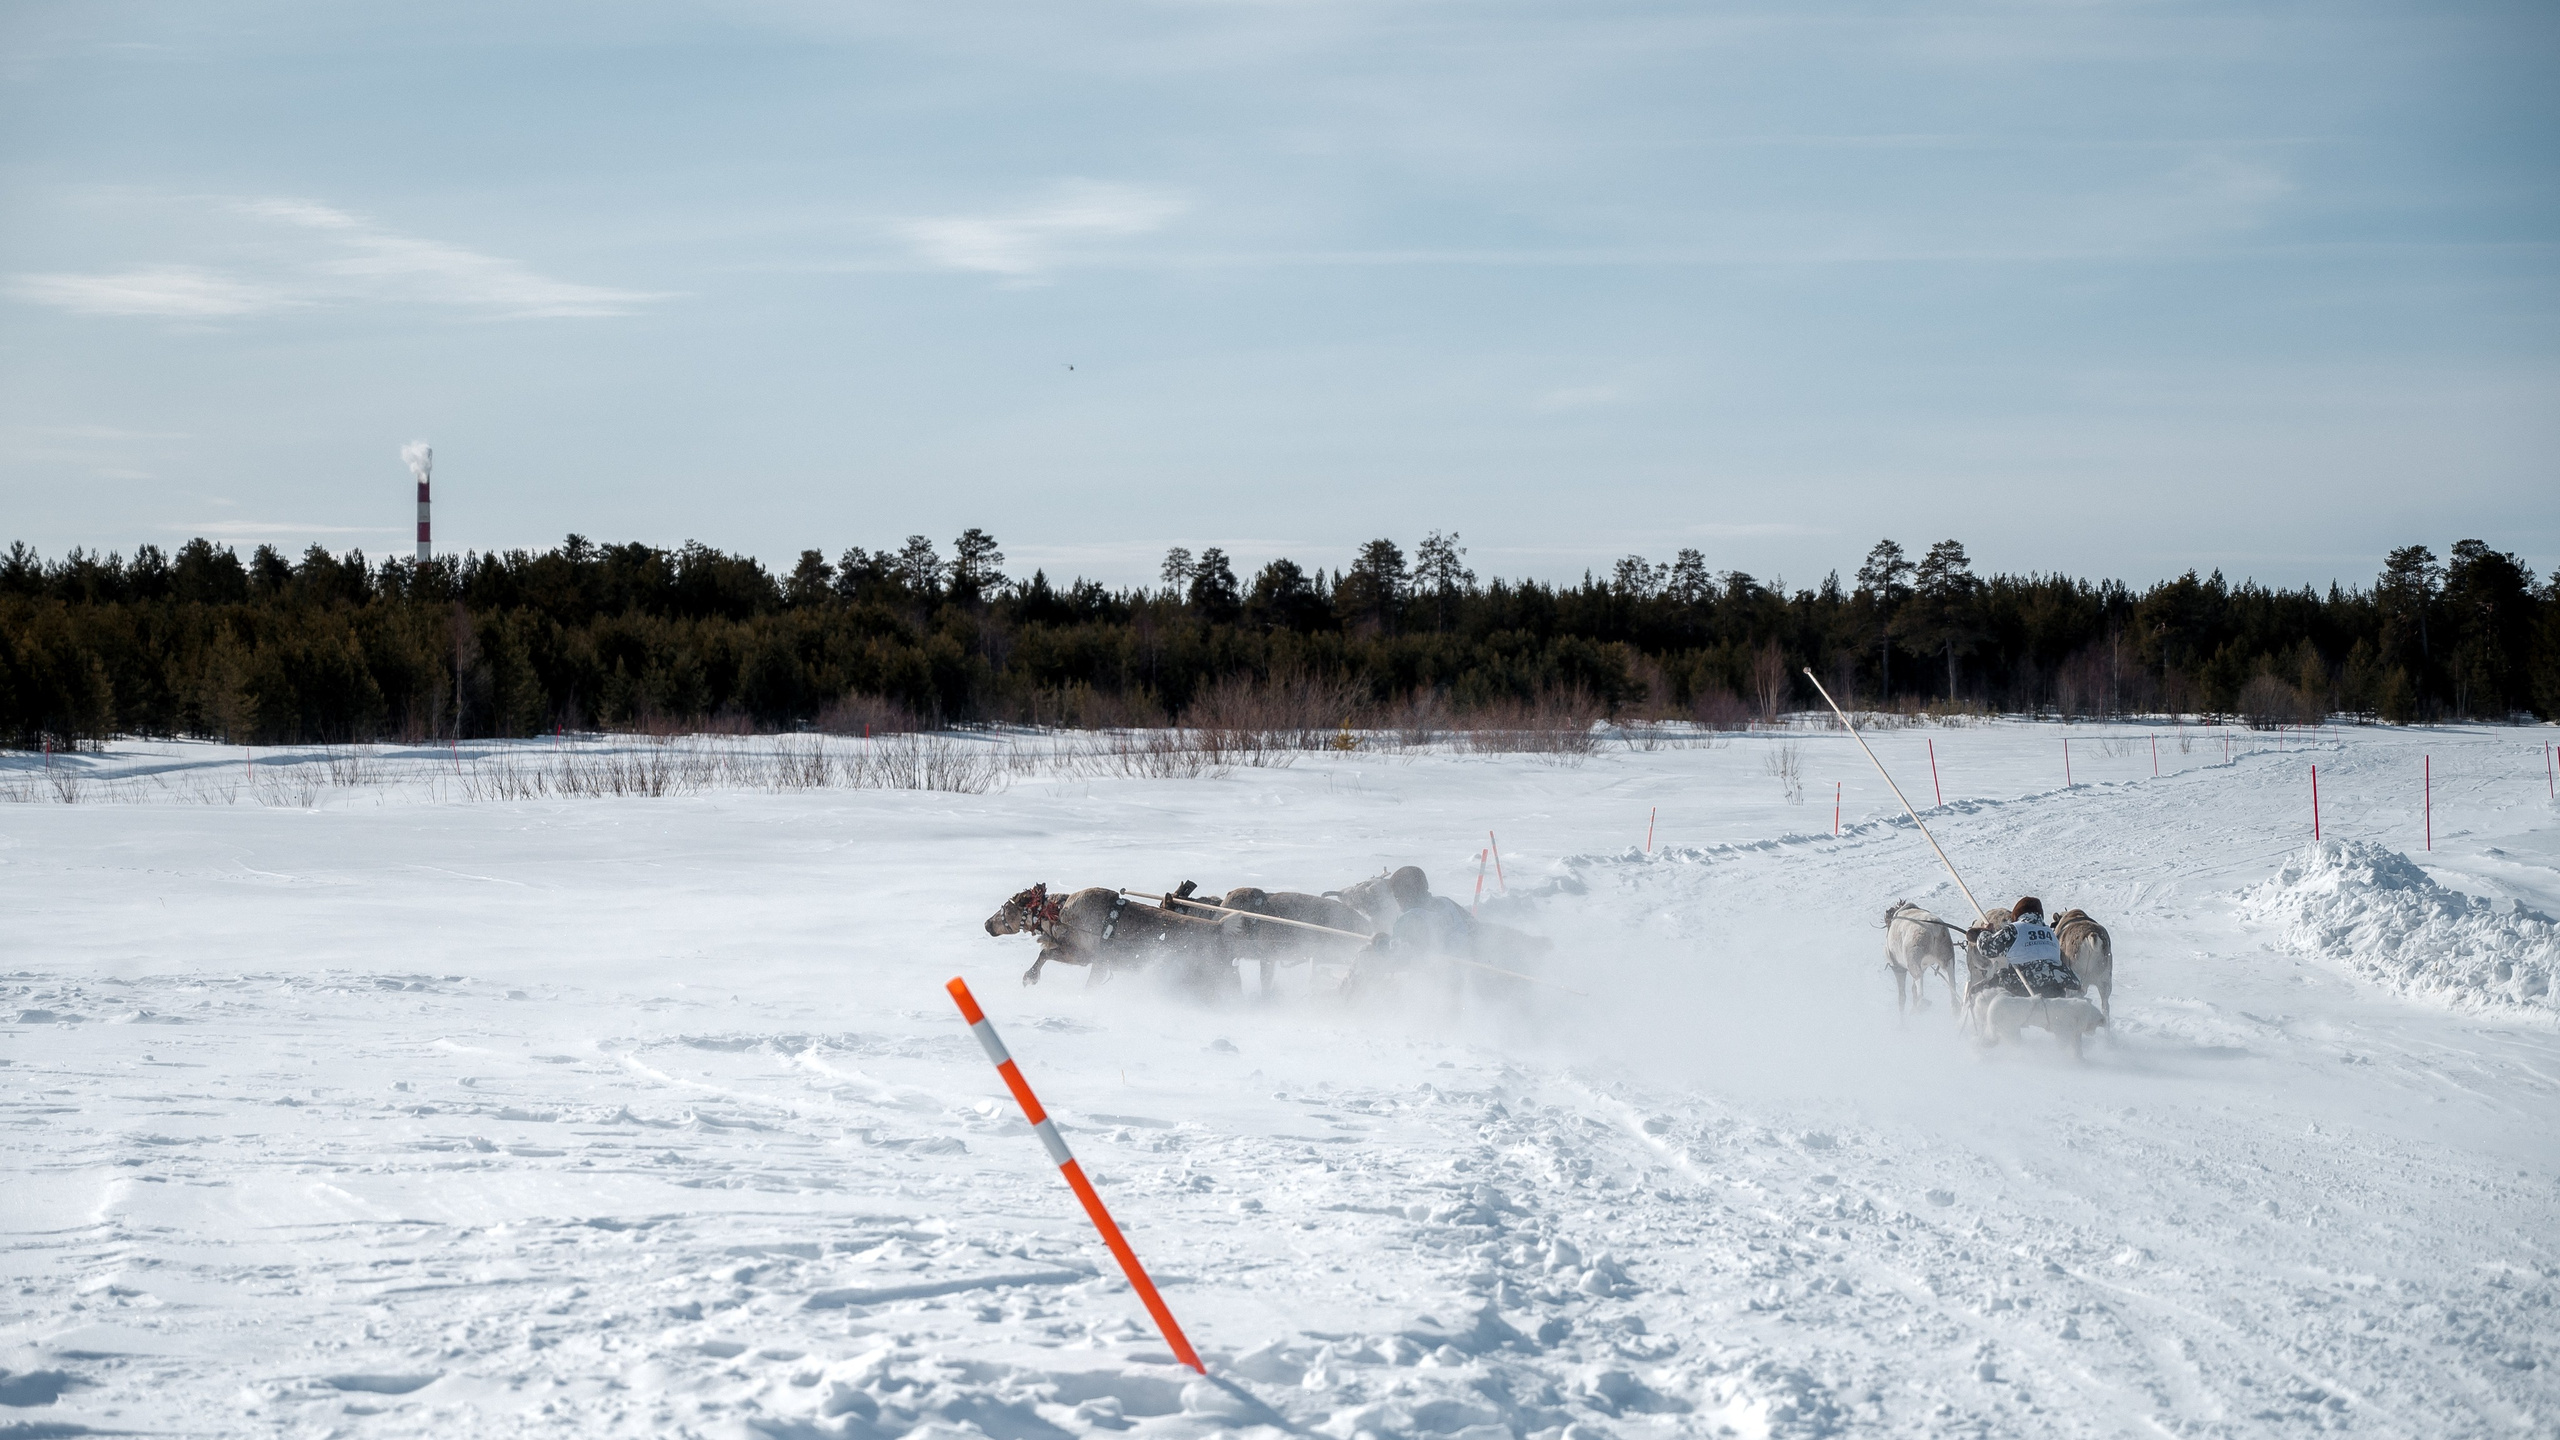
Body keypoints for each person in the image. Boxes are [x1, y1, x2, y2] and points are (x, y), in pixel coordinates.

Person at [1971, 896, 2081, 999]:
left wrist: (1985, 932)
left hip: (2023, 985)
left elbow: (1987, 948)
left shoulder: (2014, 929)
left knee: (1979, 992)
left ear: (2017, 914)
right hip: (2055, 985)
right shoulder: (2050, 933)